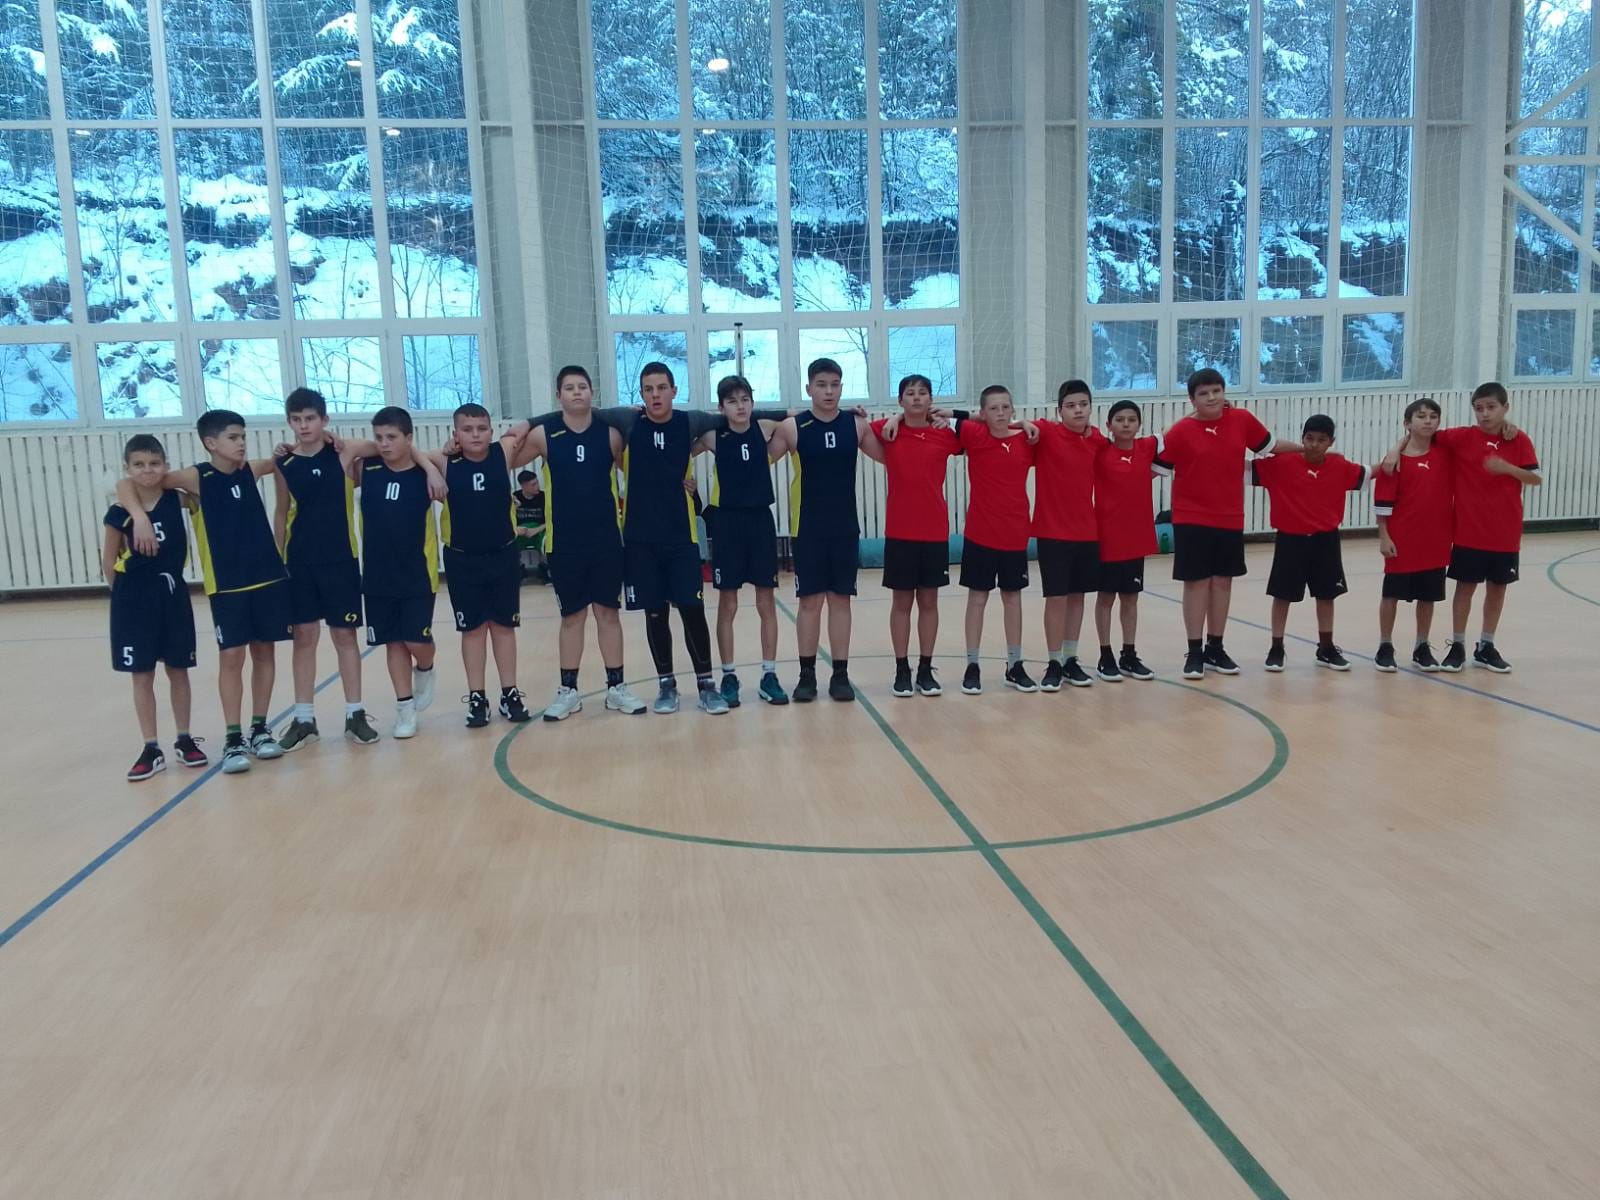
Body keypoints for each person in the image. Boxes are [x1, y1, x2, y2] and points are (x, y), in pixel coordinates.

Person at [120, 409, 292, 775]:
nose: (241, 443)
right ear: (211, 442)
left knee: (265, 652)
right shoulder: (196, 477)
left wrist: (283, 451)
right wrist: (139, 517)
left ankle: (260, 729)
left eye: (243, 436)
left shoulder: (250, 470)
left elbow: (277, 461)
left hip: (267, 577)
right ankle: (233, 737)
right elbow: (128, 483)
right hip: (227, 584)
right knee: (232, 657)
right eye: (233, 437)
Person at [273, 388, 435, 750]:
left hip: (341, 561)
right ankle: (303, 719)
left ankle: (355, 714)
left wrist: (428, 468)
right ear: (289, 423)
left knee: (345, 638)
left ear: (324, 420)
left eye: (310, 418)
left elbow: (398, 447)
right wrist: (277, 560)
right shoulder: (283, 463)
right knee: (304, 639)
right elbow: (281, 512)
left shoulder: (344, 452)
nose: (304, 426)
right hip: (299, 562)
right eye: (297, 420)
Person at [1154, 368, 1304, 680]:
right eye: (1204, 393)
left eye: (1216, 391)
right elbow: (1154, 468)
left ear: (1224, 393)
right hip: (1191, 517)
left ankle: (1215, 648)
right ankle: (1194, 652)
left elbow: (1271, 446)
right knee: (1196, 583)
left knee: (1222, 582)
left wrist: (1307, 450)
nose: (1211, 398)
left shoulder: (1242, 420)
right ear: (1192, 400)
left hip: (1229, 516)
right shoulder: (1180, 431)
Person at [515, 366, 646, 721]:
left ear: (592, 392)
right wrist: (521, 427)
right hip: (565, 544)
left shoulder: (611, 434)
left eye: (582, 386)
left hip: (606, 541)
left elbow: (641, 470)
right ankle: (568, 691)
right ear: (559, 396)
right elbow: (505, 458)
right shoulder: (544, 435)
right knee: (572, 617)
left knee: (608, 613)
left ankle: (616, 687)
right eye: (569, 388)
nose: (576, 392)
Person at [767, 358, 887, 701]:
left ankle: (840, 675)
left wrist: (893, 421)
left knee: (840, 601)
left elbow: (892, 455)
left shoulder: (856, 426)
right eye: (821, 385)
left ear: (842, 388)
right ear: (809, 389)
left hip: (844, 527)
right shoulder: (793, 428)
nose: (828, 391)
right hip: (808, 528)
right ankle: (807, 676)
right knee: (809, 603)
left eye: (834, 385)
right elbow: (756, 459)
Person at [103, 434, 206, 781]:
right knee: (142, 673)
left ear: (165, 465)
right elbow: (108, 562)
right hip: (134, 598)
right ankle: (151, 747)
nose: (147, 470)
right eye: (139, 465)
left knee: (179, 668)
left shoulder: (177, 500)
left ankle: (184, 738)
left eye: (154, 463)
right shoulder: (119, 513)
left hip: (172, 592)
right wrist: (127, 597)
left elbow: (202, 494)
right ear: (127, 467)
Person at [427, 402, 535, 728]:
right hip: (462, 559)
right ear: (456, 434)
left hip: (502, 555)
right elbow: (410, 453)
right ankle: (477, 697)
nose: (475, 435)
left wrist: (526, 422)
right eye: (467, 429)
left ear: (491, 431)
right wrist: (432, 469)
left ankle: (509, 692)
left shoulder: (504, 452)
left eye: (482, 428)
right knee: (472, 630)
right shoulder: (445, 460)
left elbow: (543, 426)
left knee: (503, 627)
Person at [1433, 382, 1541, 673]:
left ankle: (1486, 646)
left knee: (1497, 590)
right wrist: (1396, 450)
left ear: (1505, 408)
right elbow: (1422, 432)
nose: (1485, 414)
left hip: (1505, 532)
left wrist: (1507, 468)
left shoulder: (1519, 439)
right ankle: (1457, 645)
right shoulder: (1462, 437)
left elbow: (1535, 478)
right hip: (1469, 532)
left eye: (1491, 407)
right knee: (1465, 589)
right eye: (1479, 408)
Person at [698, 374, 789, 707]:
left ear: (753, 402)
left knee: (766, 601)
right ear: (721, 406)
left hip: (760, 522)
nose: (740, 406)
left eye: (745, 400)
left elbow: (796, 416)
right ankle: (729, 675)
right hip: (727, 524)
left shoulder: (764, 428)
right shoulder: (712, 435)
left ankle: (769, 674)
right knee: (728, 603)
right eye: (732, 401)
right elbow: (679, 450)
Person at [1251, 415, 1368, 671]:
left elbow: (1372, 472)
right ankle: (1276, 647)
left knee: (1327, 595)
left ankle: (1326, 647)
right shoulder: (1281, 463)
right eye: (1309, 438)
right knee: (1282, 595)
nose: (1314, 444)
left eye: (1321, 440)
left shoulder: (1339, 465)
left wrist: (1398, 451)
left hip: (1325, 540)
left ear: (1331, 442)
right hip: (1290, 540)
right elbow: (1242, 470)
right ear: (1302, 438)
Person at [871, 374, 960, 698]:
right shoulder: (889, 431)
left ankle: (925, 668)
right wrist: (895, 419)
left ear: (931, 399)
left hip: (934, 531)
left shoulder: (944, 435)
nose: (917, 398)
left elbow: (980, 424)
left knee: (929, 602)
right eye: (910, 393)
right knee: (901, 602)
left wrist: (950, 416)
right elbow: (859, 426)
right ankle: (901, 669)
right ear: (900, 400)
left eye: (923, 393)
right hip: (900, 531)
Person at [353, 407, 440, 738]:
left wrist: (428, 467)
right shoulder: (367, 468)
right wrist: (374, 446)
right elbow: (347, 447)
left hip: (417, 572)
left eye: (392, 437)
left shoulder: (424, 472)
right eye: (379, 437)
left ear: (409, 438)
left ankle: (426, 666)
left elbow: (440, 456)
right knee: (393, 643)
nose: (384, 444)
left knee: (416, 640)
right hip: (377, 573)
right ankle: (405, 708)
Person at [956, 386, 1038, 695]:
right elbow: (935, 414)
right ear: (982, 413)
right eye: (993, 408)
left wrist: (1023, 425)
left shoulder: (1027, 440)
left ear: (1013, 409)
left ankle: (1014, 665)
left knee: (1012, 598)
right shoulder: (974, 435)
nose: (1001, 413)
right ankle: (972, 665)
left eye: (1006, 407)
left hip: (1015, 534)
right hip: (980, 533)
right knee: (977, 598)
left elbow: (1050, 428)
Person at [1031, 379, 1107, 690]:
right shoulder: (1046, 433)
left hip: (1086, 532)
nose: (1078, 410)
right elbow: (1009, 423)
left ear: (1090, 408)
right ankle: (1053, 662)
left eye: (1083, 405)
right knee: (1056, 598)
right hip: (1052, 532)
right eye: (1071, 406)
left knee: (1077, 598)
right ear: (1059, 410)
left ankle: (1070, 659)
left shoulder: (1097, 439)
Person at [1372, 398, 1451, 672]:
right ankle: (1385, 646)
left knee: (1428, 596)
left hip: (1436, 539)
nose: (1428, 421)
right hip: (1402, 539)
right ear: (1407, 423)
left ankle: (1422, 647)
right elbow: (1382, 503)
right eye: (1421, 416)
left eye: (1433, 416)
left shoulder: (1446, 454)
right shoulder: (1394, 461)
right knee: (1391, 594)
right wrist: (1384, 536)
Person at [1091, 400, 1162, 682]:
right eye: (1119, 420)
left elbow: (1178, 431)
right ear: (1109, 425)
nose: (1126, 424)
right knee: (1106, 597)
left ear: (1139, 424)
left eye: (1131, 419)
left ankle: (1128, 654)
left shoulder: (1146, 448)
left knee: (1130, 598)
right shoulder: (1101, 451)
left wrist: (1210, 409)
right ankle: (1105, 654)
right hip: (1107, 537)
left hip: (1136, 538)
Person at [514, 470, 549, 583]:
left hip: (539, 531)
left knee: (548, 539)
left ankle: (544, 567)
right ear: (523, 486)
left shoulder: (544, 498)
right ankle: (518, 568)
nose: (537, 486)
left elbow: (552, 520)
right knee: (508, 539)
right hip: (521, 531)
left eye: (537, 482)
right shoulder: (515, 498)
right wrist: (517, 529)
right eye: (533, 484)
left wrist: (535, 530)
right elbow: (506, 519)